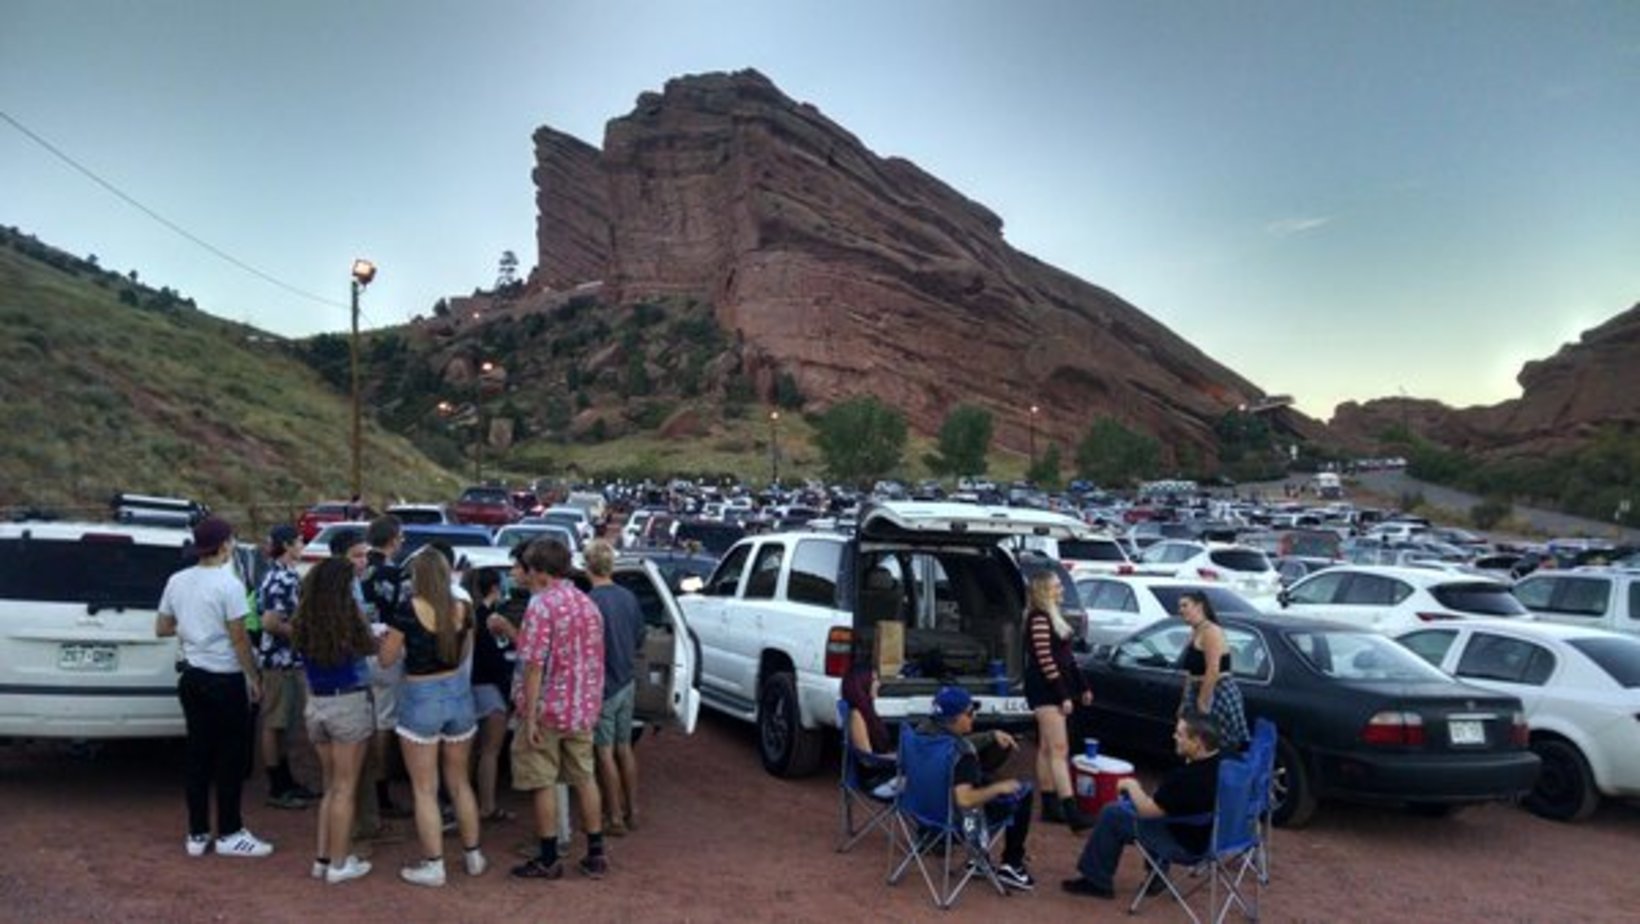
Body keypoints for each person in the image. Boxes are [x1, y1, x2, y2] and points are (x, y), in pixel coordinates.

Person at [155, 516, 273, 859]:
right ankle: (230, 831)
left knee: (197, 753)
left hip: (192, 676)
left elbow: (162, 626)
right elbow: (239, 637)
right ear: (224, 545)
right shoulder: (229, 584)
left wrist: (192, 627)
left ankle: (197, 832)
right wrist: (253, 676)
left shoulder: (177, 580)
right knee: (230, 756)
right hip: (224, 677)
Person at [378, 551, 486, 887]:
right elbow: (466, 652)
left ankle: (434, 864)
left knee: (425, 789)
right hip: (458, 695)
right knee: (460, 783)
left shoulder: (408, 610)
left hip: (421, 697)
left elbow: (386, 660)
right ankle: (473, 855)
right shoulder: (464, 609)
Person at [510, 538, 608, 881]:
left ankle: (549, 856)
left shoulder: (541, 606)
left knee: (543, 780)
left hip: (548, 708)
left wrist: (531, 715)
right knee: (584, 776)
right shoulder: (587, 604)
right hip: (582, 707)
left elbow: (533, 665)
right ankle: (596, 852)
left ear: (538, 571)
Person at [1061, 714, 1223, 899]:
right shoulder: (1225, 765)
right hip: (1211, 837)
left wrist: (1131, 785)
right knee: (1145, 807)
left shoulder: (1185, 778)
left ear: (1197, 742)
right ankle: (1156, 877)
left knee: (1113, 814)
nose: (1174, 737)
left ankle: (1096, 880)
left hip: (1183, 842)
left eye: (1180, 734)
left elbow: (1147, 811)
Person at [290, 558, 377, 884]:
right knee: (345, 789)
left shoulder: (304, 619)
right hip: (348, 703)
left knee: (330, 787)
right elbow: (368, 646)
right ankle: (340, 864)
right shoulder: (349, 618)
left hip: (317, 704)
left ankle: (323, 857)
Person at [917, 686, 1034, 891]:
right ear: (955, 718)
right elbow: (965, 799)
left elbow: (951, 741)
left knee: (983, 779)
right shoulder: (963, 754)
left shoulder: (920, 734)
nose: (974, 717)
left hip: (922, 812)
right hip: (955, 822)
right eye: (970, 713)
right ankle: (1012, 865)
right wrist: (1000, 788)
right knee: (1022, 792)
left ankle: (979, 859)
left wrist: (990, 736)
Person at [1023, 570, 1095, 831]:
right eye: (1056, 586)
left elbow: (1067, 658)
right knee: (1059, 749)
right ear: (1044, 589)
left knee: (1047, 748)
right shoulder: (1039, 618)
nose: (1061, 590)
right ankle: (1069, 807)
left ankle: (1051, 803)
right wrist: (1062, 694)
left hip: (1050, 688)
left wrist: (1082, 685)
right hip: (1046, 690)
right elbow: (1045, 660)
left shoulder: (1049, 616)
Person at [255, 523, 317, 810]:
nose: (302, 546)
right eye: (299, 542)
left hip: (287, 660)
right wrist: (301, 634)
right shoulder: (281, 579)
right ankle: (277, 784)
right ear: (288, 545)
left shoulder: (285, 575)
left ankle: (286, 779)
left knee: (284, 724)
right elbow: (270, 621)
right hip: (279, 662)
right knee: (274, 722)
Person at [586, 539, 645, 836]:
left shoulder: (590, 602)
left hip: (603, 687)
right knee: (625, 748)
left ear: (587, 567)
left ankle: (615, 817)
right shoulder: (629, 597)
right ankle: (633, 810)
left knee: (604, 753)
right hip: (626, 681)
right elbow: (639, 637)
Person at [359, 516, 412, 823]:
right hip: (389, 648)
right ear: (392, 540)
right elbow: (406, 612)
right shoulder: (396, 574)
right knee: (384, 721)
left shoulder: (358, 571)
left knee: (366, 717)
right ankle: (380, 791)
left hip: (360, 649)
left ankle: (366, 785)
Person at [464, 565, 516, 822]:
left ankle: (461, 801)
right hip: (490, 689)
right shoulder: (489, 618)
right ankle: (487, 805)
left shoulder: (466, 613)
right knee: (490, 751)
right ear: (494, 588)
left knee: (469, 750)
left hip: (466, 687)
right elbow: (495, 659)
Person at [1177, 591, 1248, 752]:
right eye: (1180, 606)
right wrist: (1184, 702)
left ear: (1199, 606)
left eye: (1185, 605)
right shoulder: (1195, 631)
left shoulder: (1211, 631)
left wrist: (1203, 704)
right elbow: (1191, 672)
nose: (1180, 610)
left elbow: (1213, 670)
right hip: (1197, 691)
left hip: (1217, 693)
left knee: (1213, 744)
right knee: (1192, 743)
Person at [839, 664, 896, 791]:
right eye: (875, 680)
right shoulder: (856, 715)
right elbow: (867, 760)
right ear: (863, 684)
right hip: (876, 781)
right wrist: (898, 760)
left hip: (886, 775)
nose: (879, 684)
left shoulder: (868, 710)